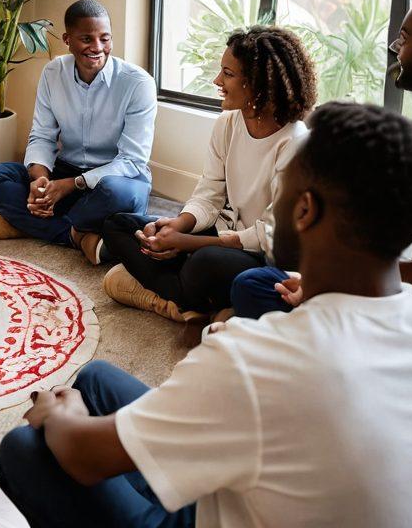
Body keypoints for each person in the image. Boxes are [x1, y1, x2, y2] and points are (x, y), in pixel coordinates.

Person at [0, 101, 412, 528]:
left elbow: (83, 457)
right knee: (100, 378)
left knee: (27, 448)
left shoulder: (254, 358)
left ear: (304, 211)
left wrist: (60, 414)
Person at [233, 0, 412, 318]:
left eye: (404, 38)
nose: (394, 48)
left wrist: (326, 284)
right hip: (402, 272)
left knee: (254, 285)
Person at [99, 26, 317, 320]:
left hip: (265, 255)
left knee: (204, 261)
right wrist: (178, 225)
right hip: (224, 231)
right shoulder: (227, 124)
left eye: (228, 74)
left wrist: (188, 243)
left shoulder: (295, 143)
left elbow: (268, 236)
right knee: (118, 225)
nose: (217, 81)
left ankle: (175, 295)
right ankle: (193, 301)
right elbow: (209, 194)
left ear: (258, 84)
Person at [0, 0, 156, 262]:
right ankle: (76, 234)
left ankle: (27, 223)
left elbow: (132, 161)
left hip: (115, 179)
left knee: (119, 195)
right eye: (86, 39)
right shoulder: (52, 72)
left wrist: (72, 185)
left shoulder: (138, 84)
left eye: (105, 39)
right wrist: (40, 181)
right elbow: (42, 135)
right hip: (65, 171)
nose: (97, 48)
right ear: (67, 39)